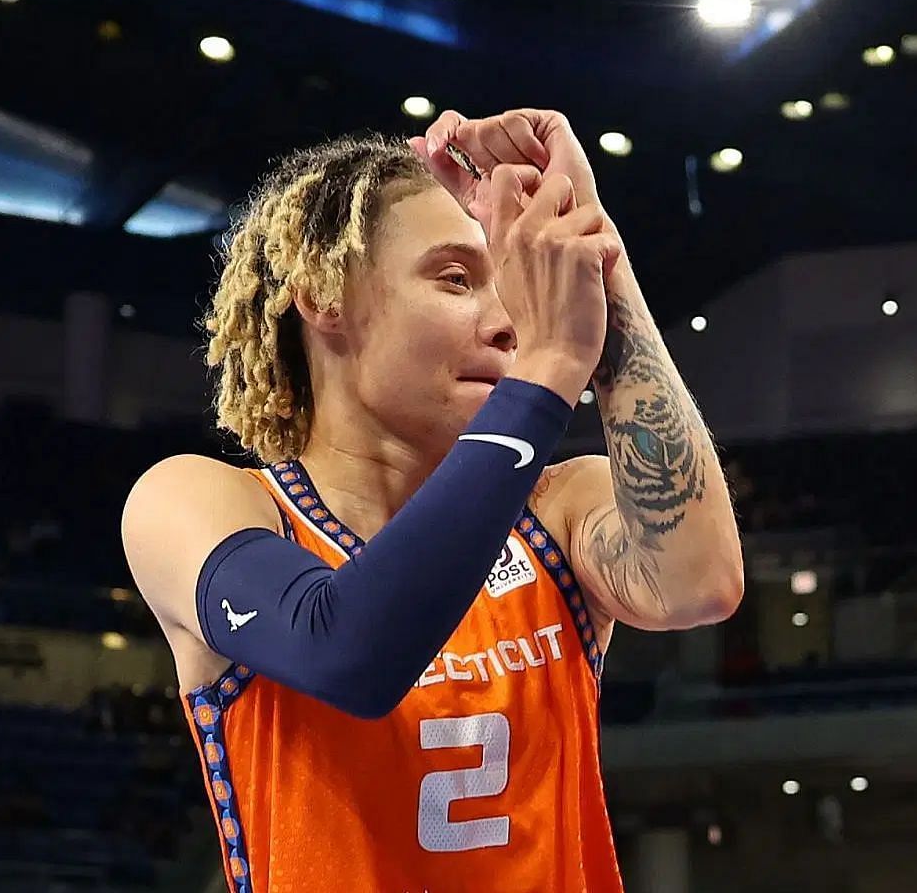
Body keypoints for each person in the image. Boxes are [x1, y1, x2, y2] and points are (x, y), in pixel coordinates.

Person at [121, 110, 743, 891]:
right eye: (456, 279)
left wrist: (597, 255)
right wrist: (551, 361)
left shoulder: (558, 505)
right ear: (323, 295)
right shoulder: (199, 503)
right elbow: (347, 653)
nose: (508, 323)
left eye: (510, 285)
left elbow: (701, 584)